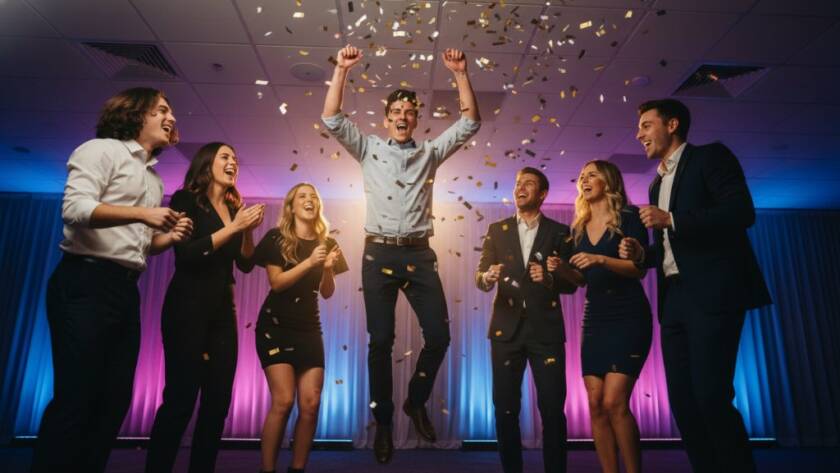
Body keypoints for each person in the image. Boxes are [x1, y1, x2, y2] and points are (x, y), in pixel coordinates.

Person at [321, 44, 480, 463]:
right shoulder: (369, 147)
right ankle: (386, 424)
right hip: (378, 255)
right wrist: (341, 68)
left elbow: (469, 123)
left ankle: (415, 400)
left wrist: (460, 73)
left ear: (416, 118)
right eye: (397, 111)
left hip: (420, 255)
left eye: (411, 112)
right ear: (386, 116)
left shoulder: (429, 153)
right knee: (381, 341)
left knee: (440, 336)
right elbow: (332, 118)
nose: (403, 117)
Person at [31, 87, 192, 473]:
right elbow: (75, 209)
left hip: (124, 290)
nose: (171, 118)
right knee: (77, 398)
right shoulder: (100, 150)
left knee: (114, 400)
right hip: (84, 283)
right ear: (136, 114)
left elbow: (138, 246)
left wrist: (167, 238)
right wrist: (141, 214)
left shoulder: (152, 180)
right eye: (162, 111)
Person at [619, 99, 771, 473]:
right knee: (683, 403)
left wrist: (672, 218)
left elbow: (740, 213)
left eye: (646, 125)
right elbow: (672, 248)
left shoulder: (710, 158)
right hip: (674, 302)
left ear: (672, 124)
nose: (638, 134)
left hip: (713, 294)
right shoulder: (656, 184)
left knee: (711, 396)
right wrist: (644, 253)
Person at [145, 142, 265, 473]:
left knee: (217, 404)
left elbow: (244, 264)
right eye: (225, 156)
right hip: (187, 306)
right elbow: (187, 255)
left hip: (222, 313)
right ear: (206, 163)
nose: (233, 162)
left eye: (236, 158)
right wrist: (234, 228)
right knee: (181, 400)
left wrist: (248, 232)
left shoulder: (232, 207)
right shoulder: (186, 199)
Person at [547, 160, 651, 473]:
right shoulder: (577, 228)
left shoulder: (630, 218)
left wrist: (600, 259)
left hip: (629, 315)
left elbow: (638, 268)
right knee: (594, 404)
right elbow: (579, 280)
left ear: (608, 181)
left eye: (592, 174)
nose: (584, 180)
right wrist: (562, 268)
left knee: (614, 402)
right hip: (595, 319)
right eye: (581, 176)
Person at [475, 167, 576, 473]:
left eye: (528, 184)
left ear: (542, 194)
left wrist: (549, 278)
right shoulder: (496, 229)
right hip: (505, 333)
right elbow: (480, 277)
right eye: (517, 183)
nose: (520, 188)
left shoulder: (561, 232)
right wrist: (487, 276)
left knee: (552, 410)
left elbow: (572, 283)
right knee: (505, 410)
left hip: (546, 333)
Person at [252, 183, 348, 473]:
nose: (310, 200)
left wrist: (328, 268)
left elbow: (328, 292)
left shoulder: (329, 243)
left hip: (309, 327)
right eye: (302, 196)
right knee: (283, 401)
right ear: (291, 206)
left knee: (311, 403)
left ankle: (297, 469)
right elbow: (277, 283)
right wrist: (309, 262)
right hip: (275, 326)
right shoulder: (276, 238)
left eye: (314, 197)